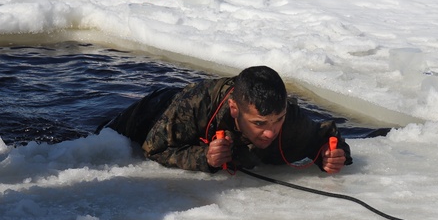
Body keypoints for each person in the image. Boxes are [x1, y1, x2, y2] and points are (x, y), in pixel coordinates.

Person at [104, 66, 351, 174]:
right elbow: (154, 148)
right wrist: (204, 158)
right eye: (259, 123)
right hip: (152, 112)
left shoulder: (290, 120)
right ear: (234, 108)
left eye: (277, 120)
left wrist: (331, 155)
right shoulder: (195, 105)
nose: (271, 132)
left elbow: (327, 135)